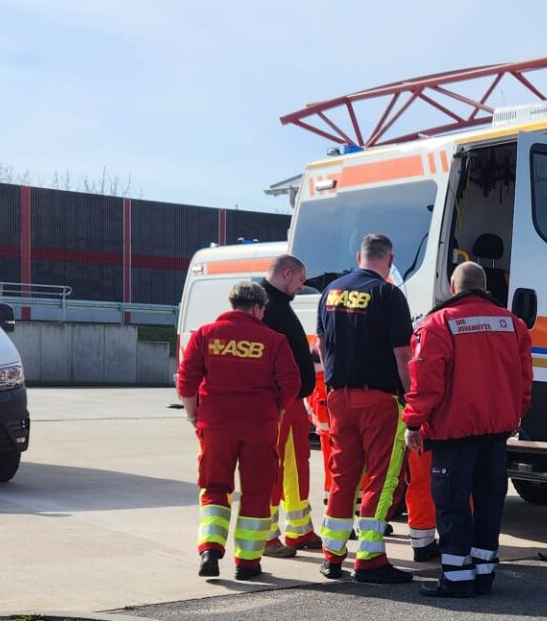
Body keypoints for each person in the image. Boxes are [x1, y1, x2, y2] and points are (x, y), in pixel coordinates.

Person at [402, 262, 534, 598]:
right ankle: (484, 574)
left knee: (452, 504)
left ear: (453, 285)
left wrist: (413, 422)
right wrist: (513, 414)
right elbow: (524, 381)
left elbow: (427, 381)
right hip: (496, 432)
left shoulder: (438, 324)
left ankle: (457, 579)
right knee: (489, 504)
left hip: (454, 434)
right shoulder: (513, 324)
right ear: (484, 286)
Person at [177, 281, 299, 580]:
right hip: (260, 424)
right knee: (257, 491)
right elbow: (291, 382)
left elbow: (186, 380)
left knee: (215, 488)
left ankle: (210, 549)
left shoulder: (205, 335)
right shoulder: (274, 340)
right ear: (257, 308)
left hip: (216, 424)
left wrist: (193, 414)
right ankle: (247, 562)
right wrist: (279, 410)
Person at [314, 233, 415, 583]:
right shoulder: (389, 294)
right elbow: (403, 355)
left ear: (359, 255)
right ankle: (369, 559)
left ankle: (332, 555)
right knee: (381, 477)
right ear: (389, 260)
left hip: (339, 396)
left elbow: (323, 344)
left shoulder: (331, 291)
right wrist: (411, 396)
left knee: (343, 476)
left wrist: (333, 382)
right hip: (379, 400)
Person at [256, 253, 321, 560]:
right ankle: (267, 537)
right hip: (275, 402)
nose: (302, 285)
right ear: (286, 273)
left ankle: (299, 529)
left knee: (297, 464)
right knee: (273, 469)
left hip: (292, 401)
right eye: (300, 279)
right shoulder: (264, 306)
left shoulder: (278, 305)